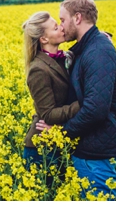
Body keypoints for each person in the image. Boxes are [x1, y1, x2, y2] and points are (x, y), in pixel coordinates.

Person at [37, 0, 116, 199]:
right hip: (91, 147)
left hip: (95, 153)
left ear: (77, 18)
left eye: (62, 20)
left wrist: (60, 133)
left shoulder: (97, 51)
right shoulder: (90, 47)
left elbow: (95, 109)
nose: (61, 26)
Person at [21, 11, 81, 167]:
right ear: (44, 39)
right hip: (42, 149)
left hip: (58, 141)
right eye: (55, 28)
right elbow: (48, 114)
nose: (61, 28)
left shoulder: (64, 58)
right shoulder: (39, 69)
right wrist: (85, 103)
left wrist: (97, 38)